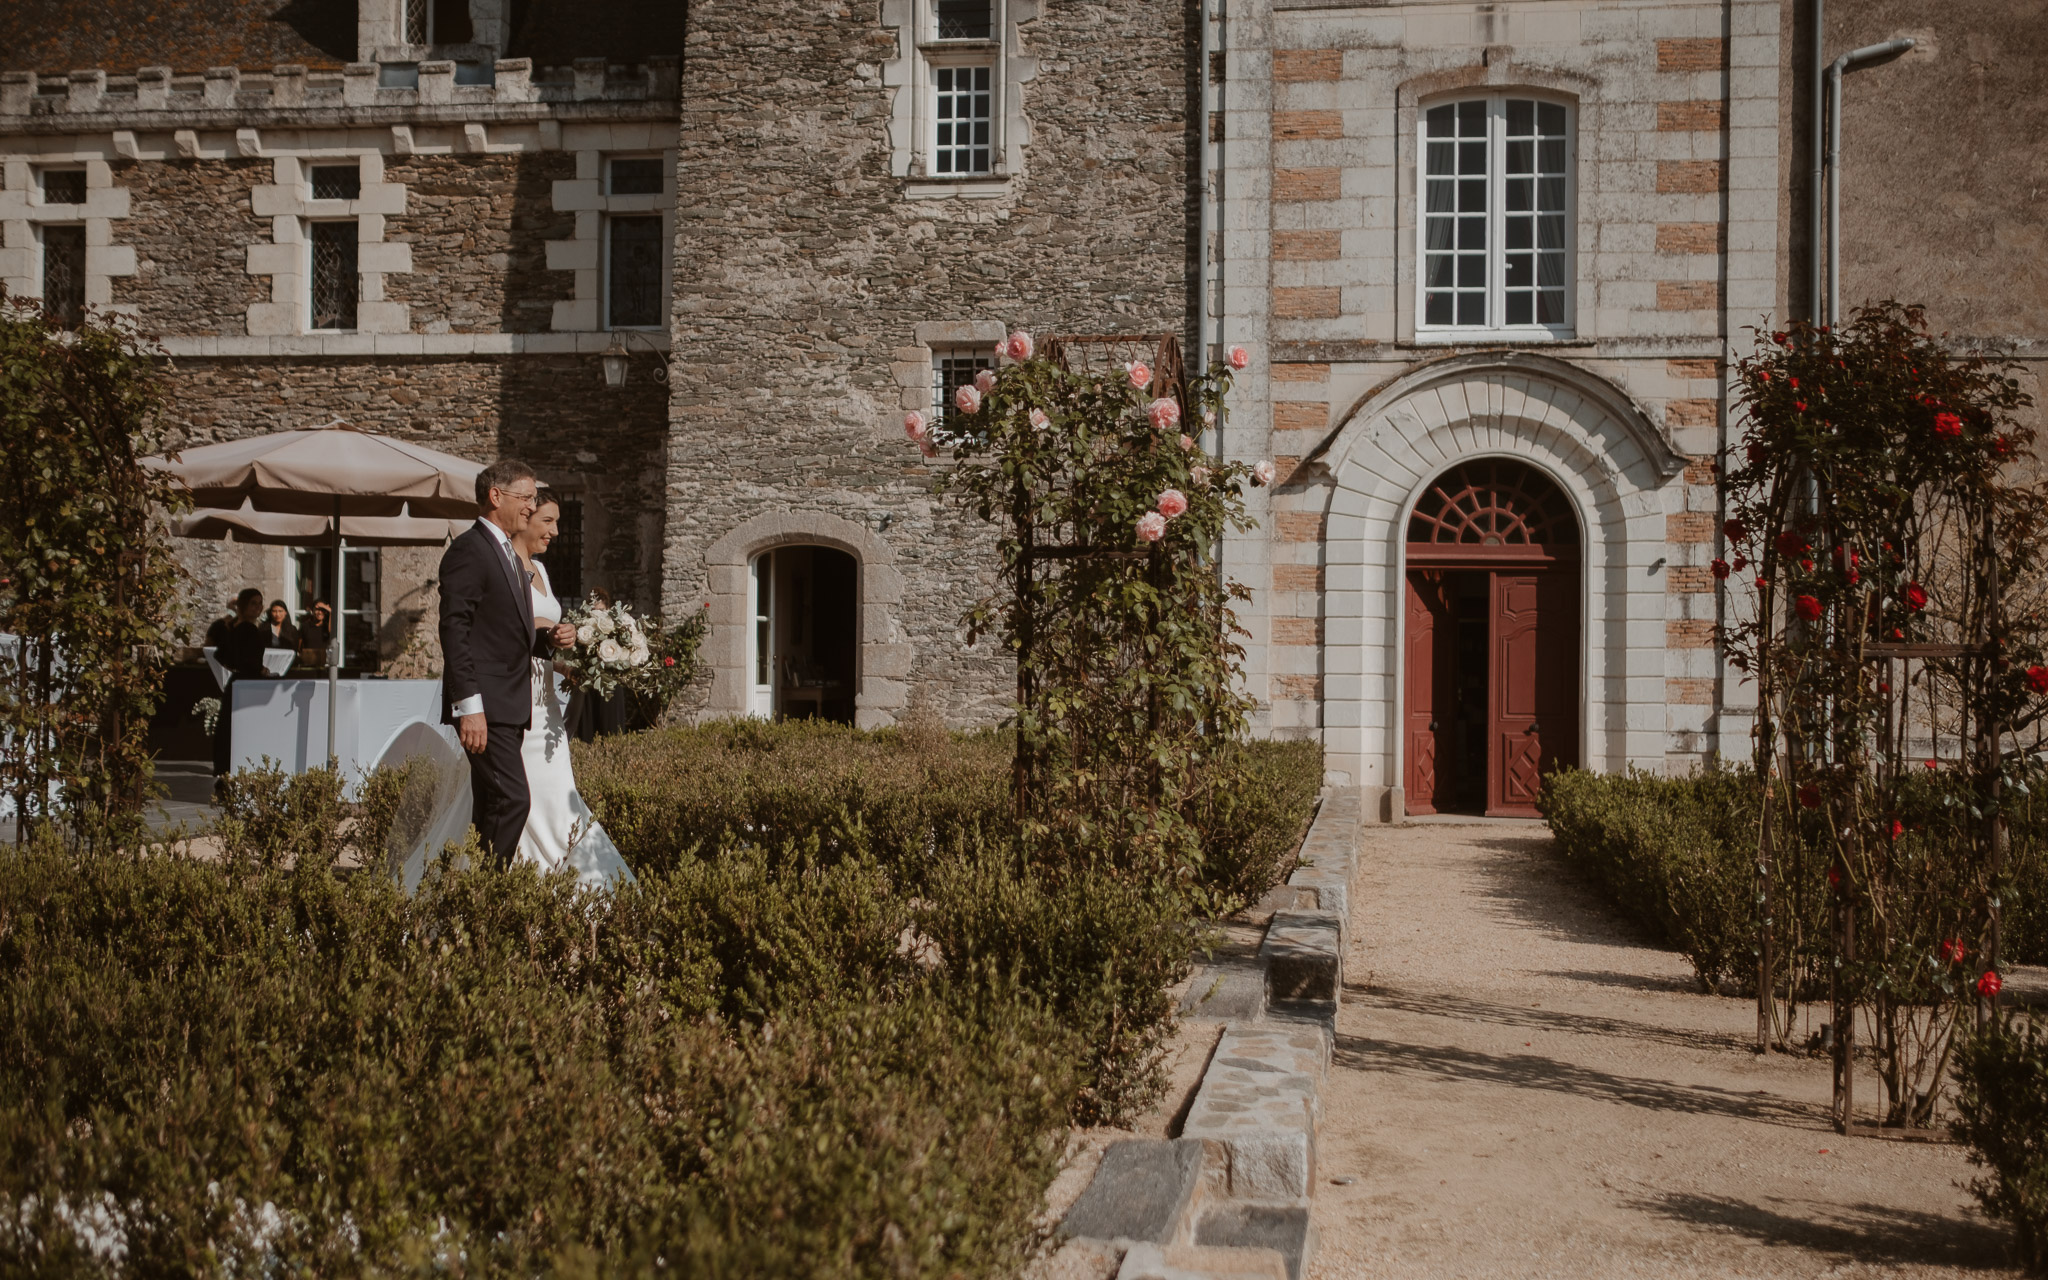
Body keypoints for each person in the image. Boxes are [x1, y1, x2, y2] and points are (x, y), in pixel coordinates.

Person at [438, 459, 575, 868]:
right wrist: (469, 708)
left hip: (513, 705)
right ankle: (491, 896)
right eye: (527, 499)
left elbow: (503, 631)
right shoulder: (469, 550)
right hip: (486, 705)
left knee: (491, 807)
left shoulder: (511, 555)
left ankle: (470, 904)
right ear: (496, 497)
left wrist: (548, 639)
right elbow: (455, 632)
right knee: (513, 799)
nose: (532, 508)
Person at [509, 489, 635, 889]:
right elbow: (513, 631)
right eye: (548, 521)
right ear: (525, 517)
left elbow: (543, 645)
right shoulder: (504, 566)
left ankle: (565, 877)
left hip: (546, 697)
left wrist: (567, 665)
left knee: (560, 784)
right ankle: (531, 878)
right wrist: (551, 637)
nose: (556, 531)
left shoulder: (542, 571)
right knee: (528, 792)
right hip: (515, 697)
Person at [212, 588, 269, 783]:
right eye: (253, 603)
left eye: (260, 603)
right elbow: (231, 655)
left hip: (241, 682)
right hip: (248, 683)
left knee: (233, 727)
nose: (258, 607)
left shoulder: (238, 628)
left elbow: (223, 655)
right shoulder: (246, 629)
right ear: (243, 606)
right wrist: (258, 669)